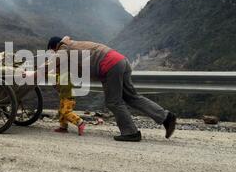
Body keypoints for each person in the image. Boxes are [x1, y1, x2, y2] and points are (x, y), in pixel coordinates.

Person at [47, 36, 177, 142]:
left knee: (113, 101)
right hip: (120, 61)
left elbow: (53, 63)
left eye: (52, 52)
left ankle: (131, 133)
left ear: (54, 47)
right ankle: (166, 117)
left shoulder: (64, 48)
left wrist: (32, 73)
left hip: (110, 66)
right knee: (132, 97)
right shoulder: (73, 46)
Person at [54, 70, 86, 136]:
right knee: (61, 112)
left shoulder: (68, 74)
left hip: (69, 98)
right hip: (63, 97)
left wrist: (58, 85)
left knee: (66, 112)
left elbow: (69, 85)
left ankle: (80, 122)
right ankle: (63, 127)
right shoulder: (59, 74)